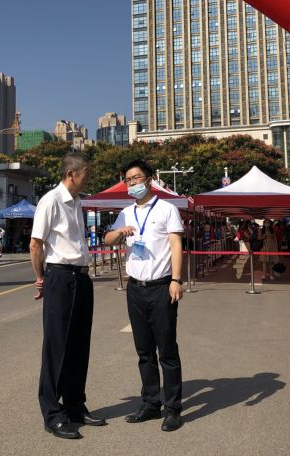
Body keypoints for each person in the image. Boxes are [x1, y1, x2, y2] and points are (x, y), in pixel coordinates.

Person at [104, 159, 185, 432]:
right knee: (144, 351)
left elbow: (175, 244)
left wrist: (176, 279)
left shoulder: (167, 209)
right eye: (128, 180)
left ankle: (172, 408)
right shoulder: (126, 212)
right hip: (135, 288)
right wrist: (119, 232)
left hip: (162, 287)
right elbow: (107, 239)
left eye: (136, 178)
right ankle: (151, 403)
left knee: (167, 350)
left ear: (149, 180)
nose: (132, 183)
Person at [30, 152, 105, 440]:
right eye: (87, 172)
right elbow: (36, 244)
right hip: (60, 277)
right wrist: (41, 278)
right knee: (57, 346)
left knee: (78, 345)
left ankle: (75, 405)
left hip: (81, 277)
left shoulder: (77, 202)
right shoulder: (50, 200)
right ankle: (52, 412)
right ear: (71, 174)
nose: (89, 176)